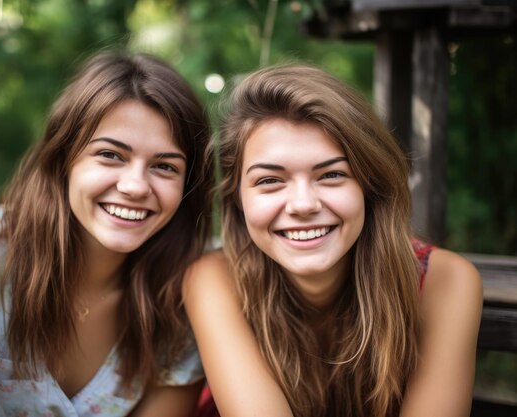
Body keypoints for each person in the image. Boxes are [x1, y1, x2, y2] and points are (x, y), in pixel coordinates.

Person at [0, 51, 214, 417]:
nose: (136, 186)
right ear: (64, 159)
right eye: (110, 155)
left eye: (164, 166)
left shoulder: (187, 287)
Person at [184, 64, 483, 417]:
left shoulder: (443, 281)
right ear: (237, 198)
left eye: (332, 175)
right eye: (269, 181)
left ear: (369, 187)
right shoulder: (213, 279)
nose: (303, 205)